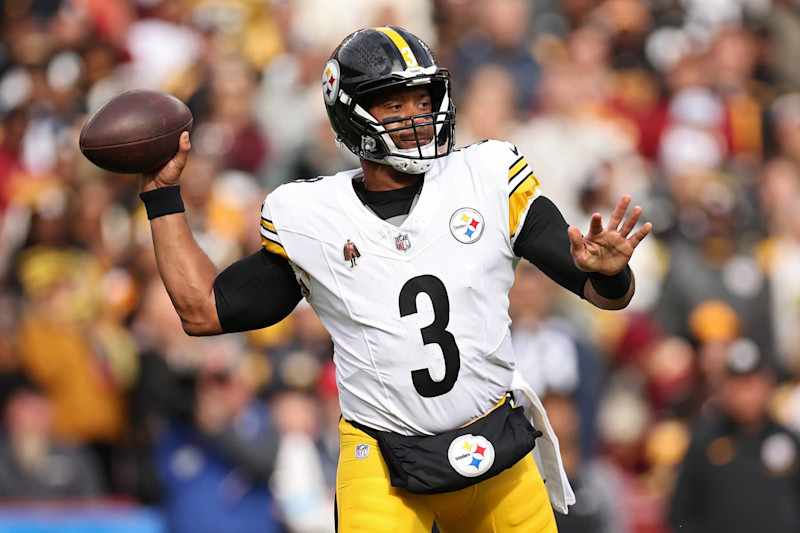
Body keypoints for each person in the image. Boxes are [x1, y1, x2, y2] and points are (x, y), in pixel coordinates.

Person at [137, 26, 651, 533]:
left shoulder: (488, 175)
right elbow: (202, 309)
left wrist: (611, 273)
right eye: (395, 104)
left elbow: (604, 294)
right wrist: (163, 197)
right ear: (351, 115)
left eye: (422, 100)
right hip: (382, 463)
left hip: (496, 447)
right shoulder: (313, 215)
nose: (417, 117)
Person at [668, 337, 800, 533]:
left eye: (751, 383)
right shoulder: (704, 443)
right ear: (723, 388)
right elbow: (681, 514)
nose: (745, 395)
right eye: (737, 384)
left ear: (768, 384)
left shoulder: (790, 442)